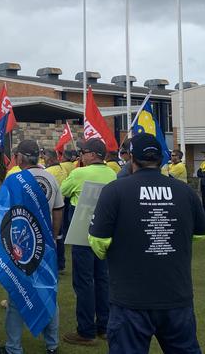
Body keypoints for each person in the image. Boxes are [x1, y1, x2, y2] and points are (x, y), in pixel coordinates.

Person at [88, 133, 205, 354]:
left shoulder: (114, 191)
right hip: (175, 295)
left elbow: (98, 242)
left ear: (131, 159)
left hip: (130, 300)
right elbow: (201, 233)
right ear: (162, 160)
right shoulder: (184, 191)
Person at [0, 140, 64, 354]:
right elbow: (58, 210)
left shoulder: (15, 179)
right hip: (46, 245)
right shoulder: (51, 178)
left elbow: (2, 214)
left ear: (19, 158)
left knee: (16, 297)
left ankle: (13, 348)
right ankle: (52, 346)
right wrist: (53, 237)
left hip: (21, 246)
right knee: (48, 294)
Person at [60, 138, 117, 347]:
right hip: (104, 231)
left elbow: (62, 191)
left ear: (92, 154)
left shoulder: (79, 173)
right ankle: (104, 326)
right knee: (102, 279)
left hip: (82, 229)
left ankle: (86, 331)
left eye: (83, 152)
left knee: (84, 282)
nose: (80, 156)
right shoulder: (112, 174)